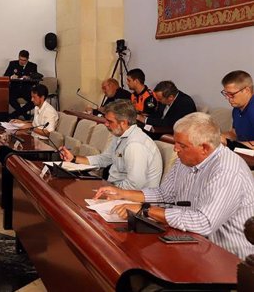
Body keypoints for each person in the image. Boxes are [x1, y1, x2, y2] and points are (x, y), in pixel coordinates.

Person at [95, 112, 254, 260]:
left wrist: (145, 210)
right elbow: (165, 195)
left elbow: (204, 223)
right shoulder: (186, 158)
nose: (175, 149)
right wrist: (123, 194)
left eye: (182, 145)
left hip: (228, 257)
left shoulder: (227, 170)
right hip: (193, 242)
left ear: (204, 148)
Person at [59, 100, 162, 189]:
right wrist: (74, 159)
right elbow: (104, 159)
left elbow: (134, 185)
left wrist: (108, 191)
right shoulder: (119, 135)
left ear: (123, 123)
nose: (106, 124)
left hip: (130, 198)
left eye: (109, 121)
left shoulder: (135, 145)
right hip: (115, 189)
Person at [221, 70, 254, 147]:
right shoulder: (236, 109)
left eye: (231, 94)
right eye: (226, 94)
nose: (228, 98)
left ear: (246, 90)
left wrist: (232, 145)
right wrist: (216, 138)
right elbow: (234, 134)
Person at [3, 50, 39, 118]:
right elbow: (5, 75)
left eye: (24, 60)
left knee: (35, 101)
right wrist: (11, 76)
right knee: (9, 98)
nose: (22, 62)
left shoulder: (33, 66)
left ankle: (13, 115)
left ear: (28, 59)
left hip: (27, 89)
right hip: (15, 88)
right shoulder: (13, 63)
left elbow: (36, 79)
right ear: (18, 57)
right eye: (20, 59)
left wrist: (29, 77)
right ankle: (25, 115)